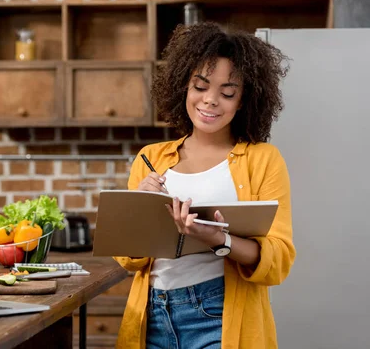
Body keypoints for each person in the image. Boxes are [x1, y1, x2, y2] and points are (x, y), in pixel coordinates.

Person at [114, 21, 295, 349]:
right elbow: (129, 260)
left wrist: (216, 237)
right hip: (153, 314)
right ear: (183, 86)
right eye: (200, 87)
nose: (211, 100)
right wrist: (136, 210)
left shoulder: (263, 160)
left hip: (218, 316)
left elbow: (278, 260)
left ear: (242, 101)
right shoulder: (150, 158)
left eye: (227, 93)